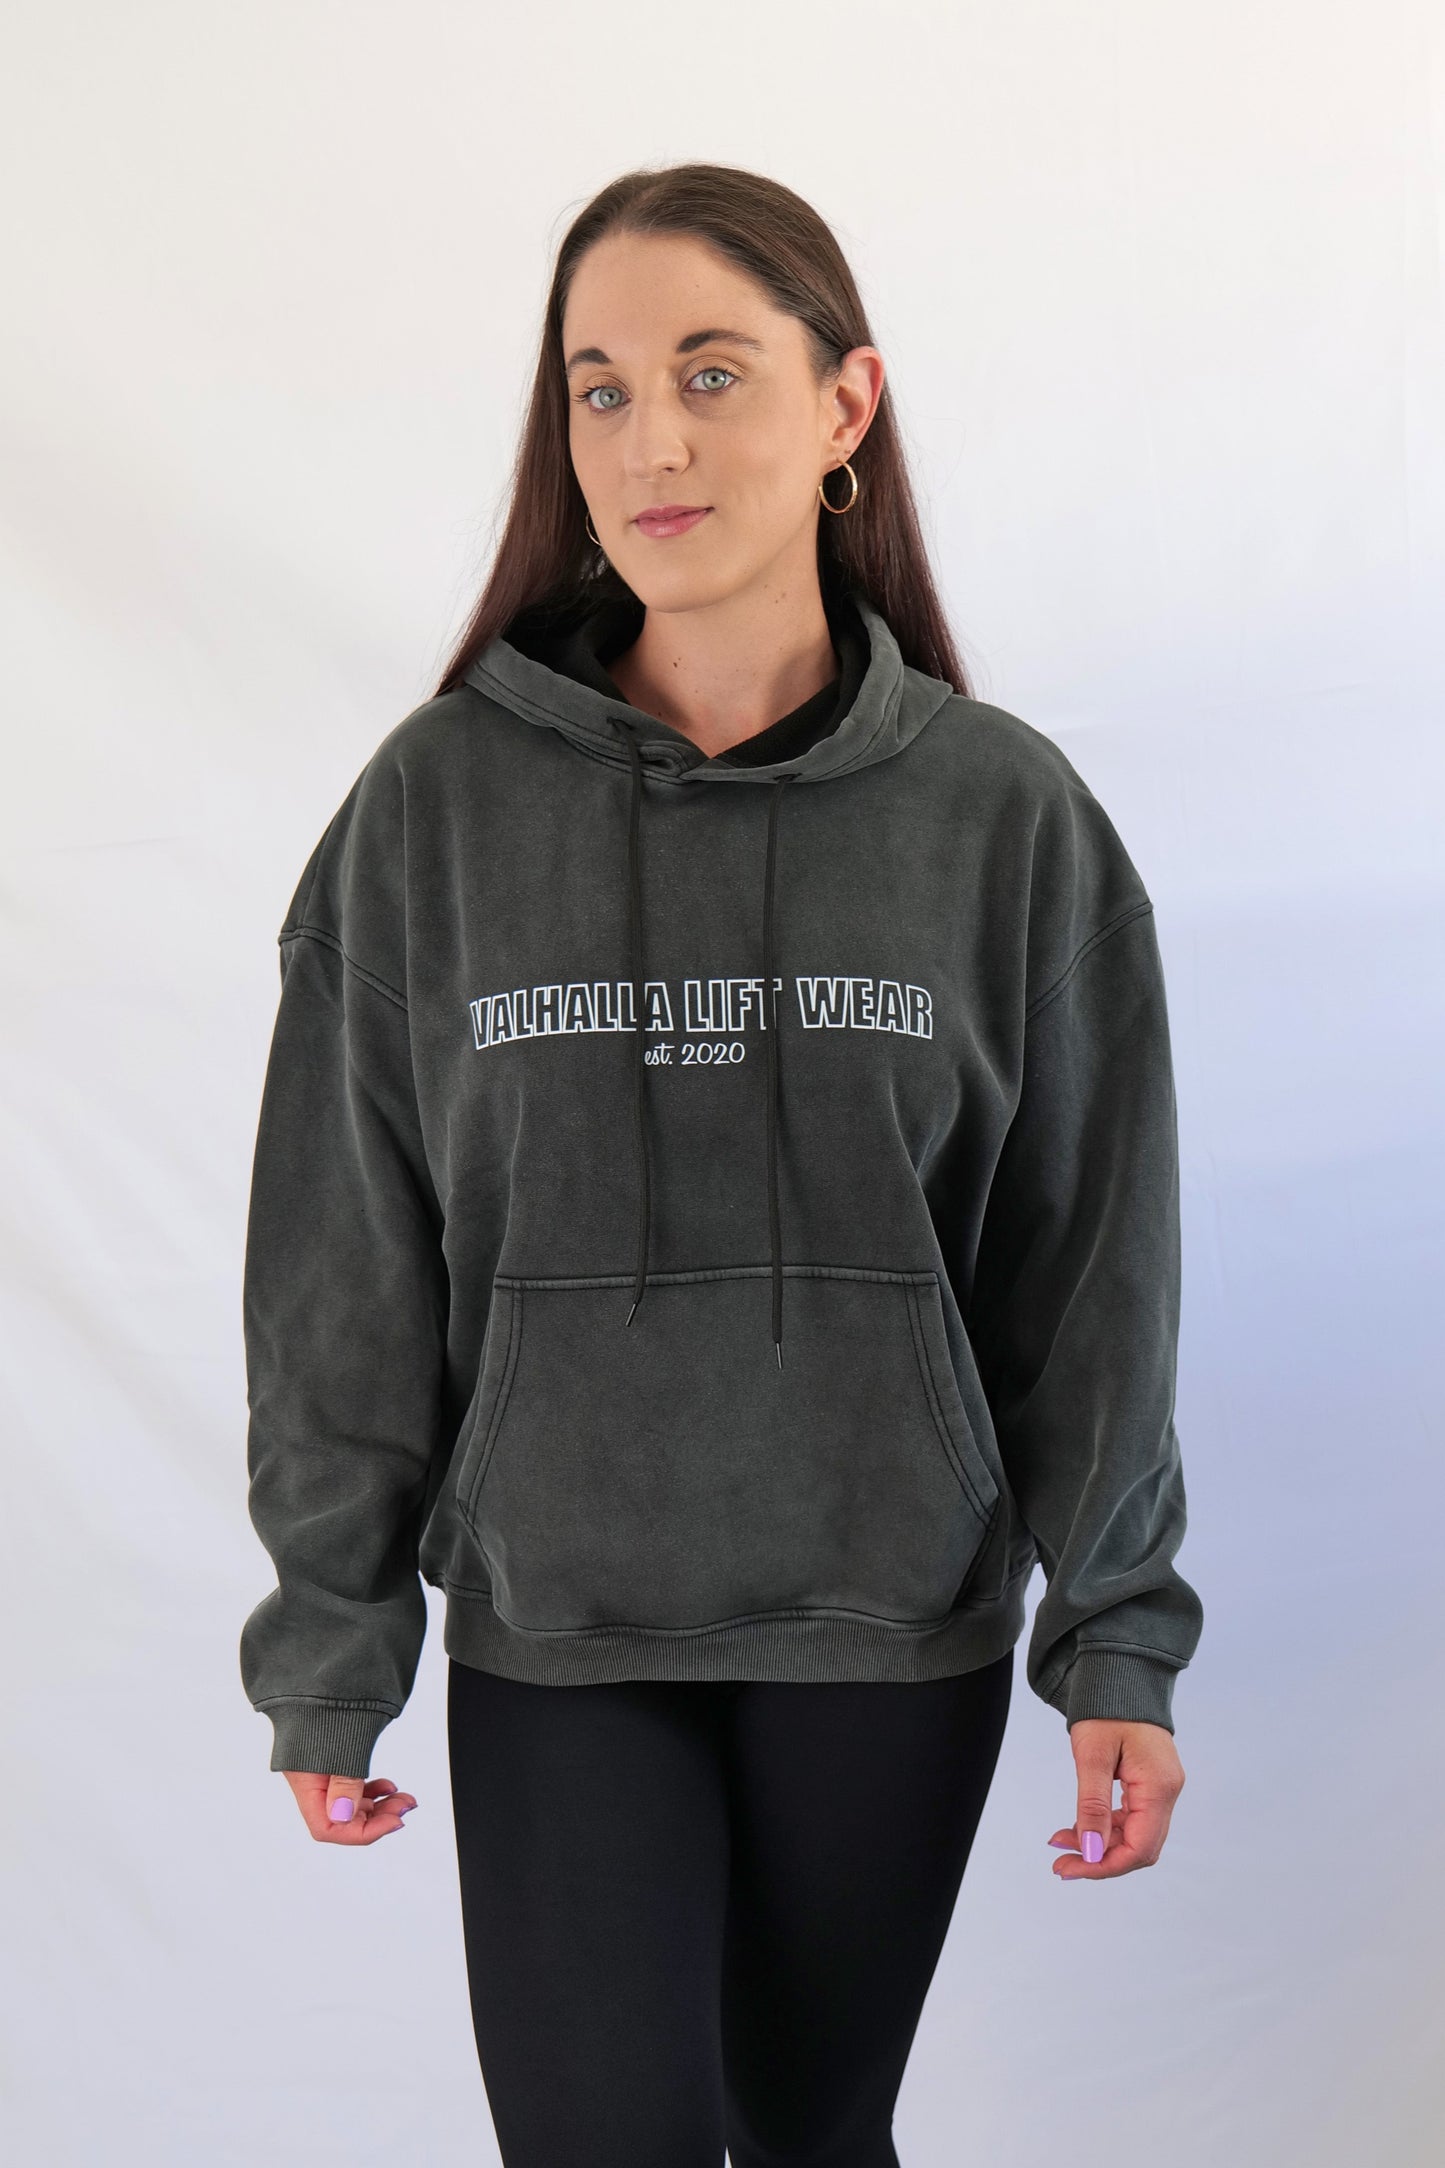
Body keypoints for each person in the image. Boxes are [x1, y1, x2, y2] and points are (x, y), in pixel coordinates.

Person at [239, 161, 1203, 2167]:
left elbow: (1090, 1271)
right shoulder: (434, 809)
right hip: (561, 1622)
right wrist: (334, 1639)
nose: (648, 441)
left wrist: (1115, 1631)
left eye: (708, 372)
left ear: (845, 404)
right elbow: (343, 1259)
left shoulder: (1001, 816)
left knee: (813, 2140)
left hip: (888, 1617)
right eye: (597, 389)